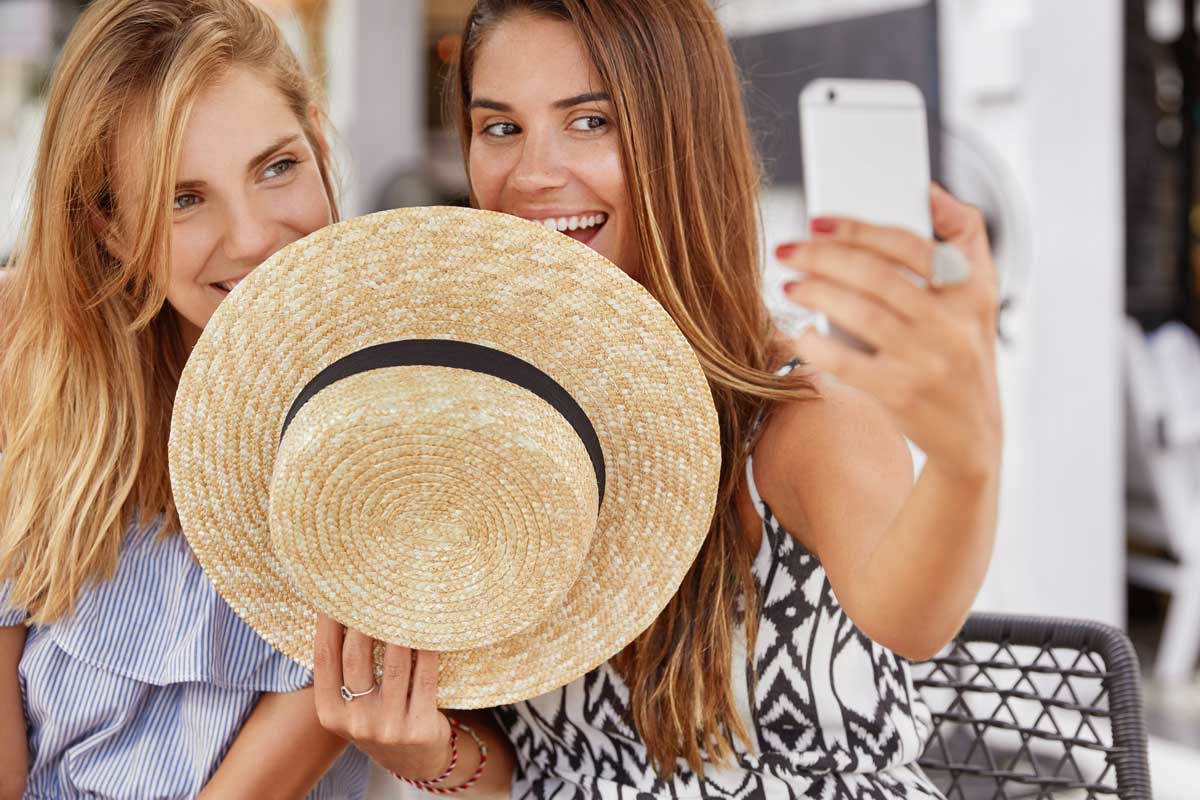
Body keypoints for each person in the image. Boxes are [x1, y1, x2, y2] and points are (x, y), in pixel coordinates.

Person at [314, 0, 1001, 797]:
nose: (533, 173)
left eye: (591, 120)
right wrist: (426, 752)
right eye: (500, 128)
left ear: (683, 142)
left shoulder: (799, 420)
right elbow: (542, 766)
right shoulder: (496, 427)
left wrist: (967, 463)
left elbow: (911, 619)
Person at [0, 0, 369, 796]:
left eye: (278, 167)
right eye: (182, 198)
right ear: (109, 226)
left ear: (316, 136)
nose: (253, 238)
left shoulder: (393, 400)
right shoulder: (35, 382)